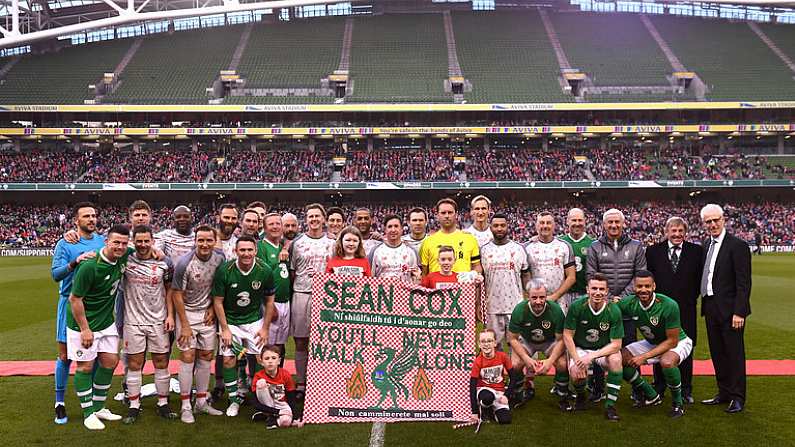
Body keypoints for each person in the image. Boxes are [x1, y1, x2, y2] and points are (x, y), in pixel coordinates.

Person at [67, 224, 132, 430]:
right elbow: (75, 299)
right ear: (107, 242)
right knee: (85, 367)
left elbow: (143, 246)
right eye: (116, 243)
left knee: (110, 362)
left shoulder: (123, 255)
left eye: (123, 243)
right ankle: (88, 413)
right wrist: (85, 329)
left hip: (106, 322)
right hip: (83, 324)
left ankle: (99, 407)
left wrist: (155, 250)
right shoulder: (90, 266)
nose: (120, 247)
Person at [50, 202, 104, 424]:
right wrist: (75, 262)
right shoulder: (65, 243)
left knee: (96, 356)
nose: (91, 219)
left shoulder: (103, 241)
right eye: (86, 216)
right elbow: (56, 274)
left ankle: (90, 404)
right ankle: (59, 402)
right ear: (76, 221)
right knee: (65, 356)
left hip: (96, 306)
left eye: (93, 216)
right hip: (70, 303)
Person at [586, 208, 646, 403]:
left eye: (617, 222)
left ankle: (638, 390)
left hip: (628, 307)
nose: (613, 225)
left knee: (630, 348)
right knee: (598, 347)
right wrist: (609, 298)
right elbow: (591, 276)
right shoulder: (595, 247)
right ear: (604, 225)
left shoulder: (637, 246)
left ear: (623, 224)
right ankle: (597, 388)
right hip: (602, 305)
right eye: (609, 222)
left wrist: (623, 298)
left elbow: (641, 275)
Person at [212, 235, 277, 417]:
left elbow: (270, 301)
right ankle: (234, 400)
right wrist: (224, 329)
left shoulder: (264, 270)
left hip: (254, 320)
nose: (246, 253)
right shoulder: (225, 270)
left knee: (258, 359)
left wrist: (265, 328)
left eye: (250, 250)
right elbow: (218, 301)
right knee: (228, 360)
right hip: (231, 321)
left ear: (255, 251)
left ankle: (258, 397)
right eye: (243, 250)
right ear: (236, 251)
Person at [618, 271, 694, 418]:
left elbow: (672, 341)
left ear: (654, 286)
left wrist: (644, 357)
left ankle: (678, 404)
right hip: (652, 342)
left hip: (678, 341)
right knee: (619, 358)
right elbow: (610, 312)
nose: (643, 289)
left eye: (647, 286)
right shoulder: (629, 303)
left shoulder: (669, 305)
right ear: (634, 287)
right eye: (639, 286)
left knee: (666, 362)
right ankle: (651, 395)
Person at [121, 225, 177, 424]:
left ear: (153, 241)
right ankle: (134, 405)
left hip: (158, 320)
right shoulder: (125, 259)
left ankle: (163, 403)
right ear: (133, 241)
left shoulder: (164, 262)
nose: (143, 244)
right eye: (139, 241)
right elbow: (110, 246)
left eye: (147, 241)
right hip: (133, 321)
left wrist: (170, 315)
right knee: (135, 364)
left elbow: (170, 290)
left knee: (161, 362)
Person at [699, 204, 751, 413]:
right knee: (718, 353)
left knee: (734, 354)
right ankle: (724, 392)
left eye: (715, 220)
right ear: (703, 224)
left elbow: (743, 283)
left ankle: (738, 397)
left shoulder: (737, 245)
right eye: (708, 221)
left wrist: (740, 311)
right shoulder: (705, 245)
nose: (712, 224)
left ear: (724, 219)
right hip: (710, 307)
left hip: (731, 311)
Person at [171, 225, 226, 423]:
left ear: (214, 241)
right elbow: (176, 294)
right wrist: (184, 324)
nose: (204, 244)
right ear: (195, 241)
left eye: (208, 240)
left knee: (206, 356)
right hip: (187, 313)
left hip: (207, 314)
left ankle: (201, 402)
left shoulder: (220, 258)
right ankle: (185, 405)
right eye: (200, 240)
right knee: (187, 356)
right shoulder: (184, 263)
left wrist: (212, 308)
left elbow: (219, 286)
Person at [645, 216, 703, 404]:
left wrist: (688, 299)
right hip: (660, 310)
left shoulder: (696, 251)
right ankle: (659, 386)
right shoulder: (653, 252)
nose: (677, 234)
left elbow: (699, 281)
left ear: (685, 232)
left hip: (686, 308)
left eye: (680, 231)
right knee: (659, 346)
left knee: (685, 348)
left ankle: (686, 389)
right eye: (673, 231)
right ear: (666, 232)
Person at [563, 273, 625, 422]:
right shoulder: (577, 306)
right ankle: (581, 395)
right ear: (587, 290)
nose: (598, 292)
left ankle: (610, 406)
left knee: (616, 360)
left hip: (603, 349)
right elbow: (567, 335)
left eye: (601, 289)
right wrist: (577, 359)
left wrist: (591, 357)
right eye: (594, 288)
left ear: (606, 291)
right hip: (581, 348)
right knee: (575, 371)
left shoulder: (613, 310)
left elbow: (616, 344)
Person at [288, 203, 335, 397]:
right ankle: (301, 383)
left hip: (326, 297)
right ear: (306, 220)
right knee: (301, 341)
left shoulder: (332, 243)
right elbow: (291, 272)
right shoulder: (296, 244)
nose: (314, 219)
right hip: (302, 293)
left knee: (325, 342)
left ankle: (321, 382)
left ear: (324, 219)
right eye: (311, 216)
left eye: (317, 216)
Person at [507, 279, 569, 411]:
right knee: (515, 364)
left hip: (550, 341)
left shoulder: (556, 310)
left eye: (542, 297)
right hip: (527, 340)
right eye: (534, 297)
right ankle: (517, 393)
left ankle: (562, 393)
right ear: (527, 296)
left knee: (562, 363)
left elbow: (561, 340)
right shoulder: (520, 309)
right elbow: (512, 339)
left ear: (546, 296)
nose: (538, 301)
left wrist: (550, 361)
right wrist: (526, 358)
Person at [480, 213, 529, 349]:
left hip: (515, 306)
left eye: (502, 225)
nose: (499, 228)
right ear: (490, 227)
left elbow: (526, 275)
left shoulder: (518, 249)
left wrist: (528, 298)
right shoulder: (484, 250)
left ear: (508, 227)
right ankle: (497, 370)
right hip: (492, 307)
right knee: (493, 347)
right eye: (496, 225)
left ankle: (516, 371)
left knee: (518, 347)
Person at [524, 211, 576, 314]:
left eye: (548, 223)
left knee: (558, 330)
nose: (545, 226)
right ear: (536, 226)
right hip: (535, 302)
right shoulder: (526, 247)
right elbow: (524, 276)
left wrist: (554, 297)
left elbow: (571, 277)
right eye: (542, 223)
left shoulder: (564, 246)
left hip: (559, 301)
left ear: (554, 225)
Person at [257, 213, 292, 362]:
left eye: (278, 223)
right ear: (264, 228)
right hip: (271, 302)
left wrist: (285, 246)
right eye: (271, 224)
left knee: (281, 344)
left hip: (285, 301)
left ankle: (279, 379)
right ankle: (265, 381)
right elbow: (260, 278)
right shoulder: (261, 247)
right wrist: (268, 304)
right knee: (267, 345)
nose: (275, 226)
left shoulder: (283, 247)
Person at [419, 198, 481, 276]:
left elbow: (477, 266)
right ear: (437, 215)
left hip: (462, 287)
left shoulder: (470, 239)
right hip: (437, 288)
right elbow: (424, 273)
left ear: (456, 214)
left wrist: (473, 276)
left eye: (450, 212)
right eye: (443, 213)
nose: (447, 216)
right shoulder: (428, 241)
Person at [251, 345, 303, 428]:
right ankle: (271, 416)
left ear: (279, 361)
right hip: (266, 402)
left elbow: (291, 399)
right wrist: (277, 412)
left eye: (273, 358)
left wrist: (296, 418)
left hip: (281, 404)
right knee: (261, 383)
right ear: (261, 362)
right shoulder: (258, 376)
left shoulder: (285, 375)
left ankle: (268, 416)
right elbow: (255, 403)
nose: (270, 361)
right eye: (267, 358)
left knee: (285, 422)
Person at [469, 329, 514, 425]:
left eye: (489, 341)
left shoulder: (503, 357)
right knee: (488, 397)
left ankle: (493, 410)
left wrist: (507, 395)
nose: (486, 344)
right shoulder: (478, 361)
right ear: (479, 345)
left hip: (499, 392)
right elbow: (472, 386)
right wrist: (474, 412)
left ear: (495, 343)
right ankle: (485, 408)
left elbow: (514, 377)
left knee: (505, 420)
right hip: (484, 390)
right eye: (483, 341)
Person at [558, 208, 594, 312]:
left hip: (585, 293)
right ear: (567, 221)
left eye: (580, 220)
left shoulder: (593, 243)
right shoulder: (560, 243)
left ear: (585, 221)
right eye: (574, 220)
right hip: (564, 295)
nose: (577, 223)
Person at [370, 214, 421, 283]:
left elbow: (415, 278)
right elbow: (371, 278)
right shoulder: (375, 251)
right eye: (390, 227)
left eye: (396, 226)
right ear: (385, 229)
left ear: (401, 229)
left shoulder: (411, 251)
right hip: (383, 292)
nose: (393, 230)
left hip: (404, 292)